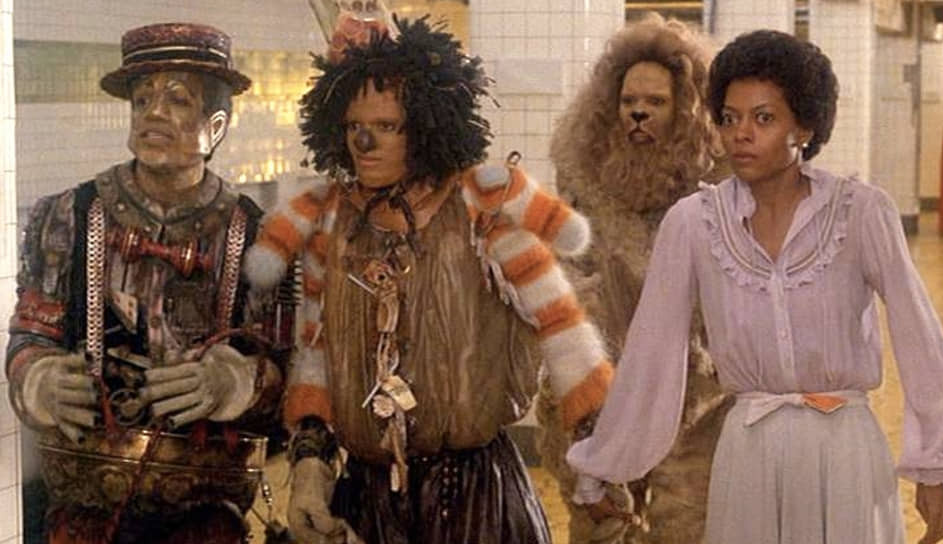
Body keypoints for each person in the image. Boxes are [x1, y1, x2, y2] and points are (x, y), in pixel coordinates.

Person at [567, 29, 943, 544]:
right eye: (729, 118)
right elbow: (652, 354)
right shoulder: (694, 223)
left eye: (763, 118)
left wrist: (933, 463)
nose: (741, 134)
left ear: (805, 126)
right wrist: (603, 463)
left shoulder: (861, 212)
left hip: (844, 451)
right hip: (748, 451)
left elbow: (920, 338)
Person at [242, 8, 615, 544]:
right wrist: (308, 472)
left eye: (386, 127)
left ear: (427, 126)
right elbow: (316, 355)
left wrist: (599, 460)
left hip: (477, 501)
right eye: (354, 127)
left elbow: (564, 332)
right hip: (366, 502)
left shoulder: (482, 214)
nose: (364, 144)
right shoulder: (332, 224)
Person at [5, 23, 290, 544]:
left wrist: (236, 383)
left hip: (206, 510)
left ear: (216, 126)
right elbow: (29, 336)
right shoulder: (67, 216)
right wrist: (40, 380)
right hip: (84, 502)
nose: (153, 113)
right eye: (142, 100)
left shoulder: (259, 235)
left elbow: (288, 374)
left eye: (177, 100)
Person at [542, 14, 729, 543]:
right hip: (601, 390)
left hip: (692, 393)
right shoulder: (582, 177)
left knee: (685, 524)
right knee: (599, 525)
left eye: (656, 102)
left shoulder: (717, 189)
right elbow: (563, 272)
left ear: (687, 110)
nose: (639, 112)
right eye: (628, 101)